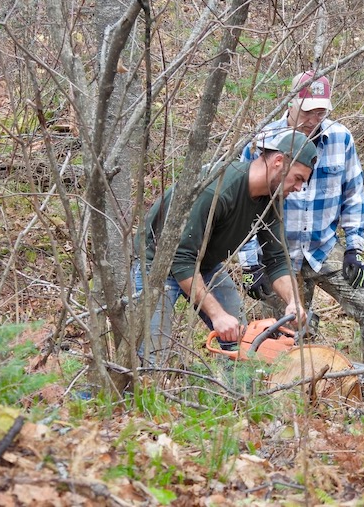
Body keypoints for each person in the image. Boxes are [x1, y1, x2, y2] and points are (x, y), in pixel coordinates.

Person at [239, 70, 364, 381]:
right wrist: (250, 263)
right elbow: (242, 203)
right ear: (291, 102)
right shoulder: (262, 142)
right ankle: (290, 396)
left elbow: (354, 195)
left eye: (321, 110)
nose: (314, 117)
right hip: (275, 254)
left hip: (323, 247)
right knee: (283, 333)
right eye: (308, 109)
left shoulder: (340, 138)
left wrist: (354, 248)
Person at [133, 131, 317, 364]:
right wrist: (217, 315)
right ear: (278, 162)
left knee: (244, 339)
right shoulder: (218, 189)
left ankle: (237, 394)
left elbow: (276, 259)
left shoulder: (272, 199)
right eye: (298, 178)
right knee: (150, 355)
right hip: (157, 264)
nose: (300, 188)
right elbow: (180, 259)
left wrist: (293, 300)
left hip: (204, 264)